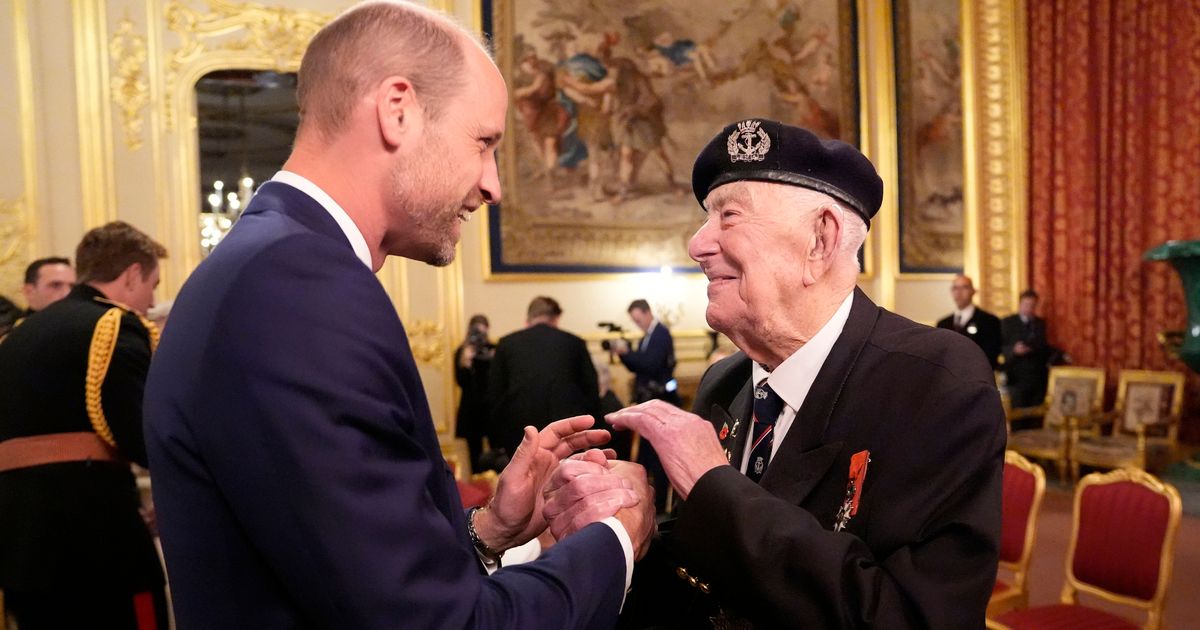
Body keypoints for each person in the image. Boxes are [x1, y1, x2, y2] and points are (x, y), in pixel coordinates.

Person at [143, 3, 654, 628]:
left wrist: (490, 530)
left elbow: (352, 569)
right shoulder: (300, 287)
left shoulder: (275, 263)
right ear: (398, 110)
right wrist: (616, 535)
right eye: (484, 143)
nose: (493, 185)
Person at [549, 119, 1005, 628]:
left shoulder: (933, 383)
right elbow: (711, 580)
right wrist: (632, 527)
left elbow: (913, 616)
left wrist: (713, 487)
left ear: (820, 241)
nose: (697, 244)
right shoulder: (725, 383)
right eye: (706, 217)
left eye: (729, 216)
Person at [0, 222, 168, 629]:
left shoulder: (20, 336)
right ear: (132, 275)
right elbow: (145, 436)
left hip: (20, 546)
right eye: (153, 285)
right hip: (96, 545)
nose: (151, 302)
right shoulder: (113, 326)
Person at [487, 296, 602, 458]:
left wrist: (497, 439)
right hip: (566, 432)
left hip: (520, 433)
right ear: (555, 318)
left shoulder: (507, 344)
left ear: (529, 318)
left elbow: (495, 394)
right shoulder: (574, 343)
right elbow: (591, 389)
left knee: (523, 473)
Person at [614, 299, 679, 512]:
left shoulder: (660, 333)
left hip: (660, 399)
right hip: (648, 399)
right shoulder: (647, 336)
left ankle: (658, 505)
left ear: (647, 312)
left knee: (656, 454)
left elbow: (650, 364)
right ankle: (649, 503)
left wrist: (627, 353)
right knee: (646, 455)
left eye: (638, 319)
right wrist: (624, 355)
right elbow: (639, 366)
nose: (637, 323)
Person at [454, 314, 495, 471]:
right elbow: (461, 382)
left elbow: (497, 380)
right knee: (475, 456)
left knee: (497, 451)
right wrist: (466, 362)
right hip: (471, 410)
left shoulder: (494, 350)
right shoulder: (462, 352)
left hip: (491, 408)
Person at [936, 274, 1002, 368]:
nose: (959, 292)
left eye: (964, 287)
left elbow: (991, 354)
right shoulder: (943, 324)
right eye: (955, 288)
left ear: (973, 291)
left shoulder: (989, 321)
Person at [1001, 289, 1051, 408]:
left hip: (1037, 377)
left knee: (1037, 413)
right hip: (1016, 377)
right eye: (1026, 304)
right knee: (1018, 412)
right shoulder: (1007, 322)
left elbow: (1044, 346)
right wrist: (1014, 350)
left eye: (1032, 305)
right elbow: (1000, 346)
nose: (1029, 308)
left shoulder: (1040, 323)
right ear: (1020, 304)